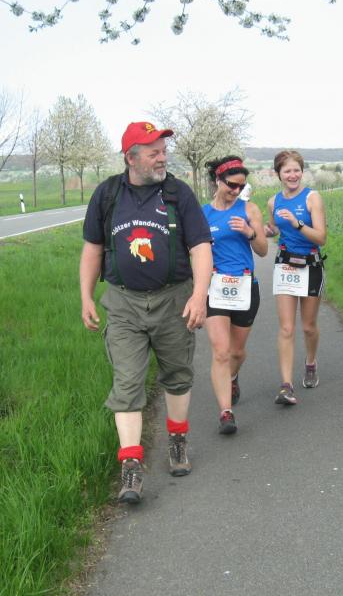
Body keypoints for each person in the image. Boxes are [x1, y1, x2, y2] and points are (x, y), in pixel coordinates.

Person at [80, 121, 213, 503]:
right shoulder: (107, 195)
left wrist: (199, 295)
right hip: (124, 304)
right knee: (126, 383)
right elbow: (92, 248)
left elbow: (200, 247)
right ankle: (131, 465)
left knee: (177, 375)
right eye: (154, 152)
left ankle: (177, 440)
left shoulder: (178, 194)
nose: (162, 157)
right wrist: (86, 297)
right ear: (131, 157)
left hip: (174, 300)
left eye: (163, 150)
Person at [202, 156, 268, 434]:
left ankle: (233, 376)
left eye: (241, 186)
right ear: (218, 181)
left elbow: (263, 250)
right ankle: (225, 412)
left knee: (236, 352)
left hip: (244, 287)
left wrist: (250, 232)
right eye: (231, 185)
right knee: (221, 351)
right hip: (215, 287)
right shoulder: (203, 214)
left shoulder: (249, 209)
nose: (236, 190)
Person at [263, 150, 327, 405]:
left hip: (310, 263)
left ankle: (310, 363)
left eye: (296, 170)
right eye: (287, 171)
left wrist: (298, 224)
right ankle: (286, 385)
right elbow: (274, 228)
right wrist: (267, 230)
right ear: (278, 174)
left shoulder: (312, 198)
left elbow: (321, 237)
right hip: (285, 264)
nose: (292, 175)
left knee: (308, 326)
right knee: (286, 328)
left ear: (302, 171)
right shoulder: (273, 201)